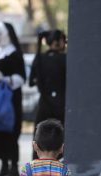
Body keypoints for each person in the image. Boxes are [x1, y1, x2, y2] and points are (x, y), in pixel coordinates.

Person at [0, 22, 26, 176]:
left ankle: (13, 168)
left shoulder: (15, 53)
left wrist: (3, 78)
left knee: (11, 132)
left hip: (10, 100)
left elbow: (21, 77)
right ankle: (3, 167)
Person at [29, 30, 67, 159]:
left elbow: (31, 81)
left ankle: (37, 166)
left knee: (40, 136)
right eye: (63, 40)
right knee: (62, 137)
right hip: (62, 104)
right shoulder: (65, 59)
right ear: (57, 42)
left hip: (44, 104)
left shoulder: (40, 58)